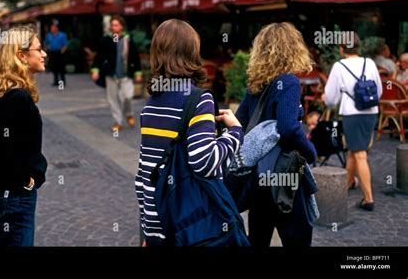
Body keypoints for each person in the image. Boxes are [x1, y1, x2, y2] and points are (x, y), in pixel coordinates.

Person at [135, 19, 244, 246]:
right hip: (190, 224)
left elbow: (144, 171)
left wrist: (147, 230)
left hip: (157, 221)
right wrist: (235, 132)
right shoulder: (199, 99)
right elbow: (204, 161)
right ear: (192, 52)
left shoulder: (152, 102)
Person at [236, 22, 317, 247]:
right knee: (297, 238)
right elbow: (288, 128)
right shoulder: (289, 82)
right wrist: (310, 151)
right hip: (285, 174)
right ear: (292, 48)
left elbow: (241, 124)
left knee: (258, 238)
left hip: (259, 175)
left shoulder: (255, 84)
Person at [0, 26, 48, 246]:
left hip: (6, 194)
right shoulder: (17, 96)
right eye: (38, 49)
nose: (44, 54)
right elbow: (3, 146)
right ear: (21, 55)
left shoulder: (6, 91)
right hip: (14, 195)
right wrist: (26, 181)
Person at [323, 34, 382, 211]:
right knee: (353, 151)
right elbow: (378, 91)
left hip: (352, 114)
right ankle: (346, 184)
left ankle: (368, 199)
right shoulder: (369, 63)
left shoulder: (339, 67)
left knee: (359, 154)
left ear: (342, 48)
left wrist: (325, 98)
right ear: (358, 47)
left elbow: (331, 99)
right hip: (371, 112)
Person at [91, 16, 142, 131]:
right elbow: (99, 57)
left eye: (116, 25)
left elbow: (135, 57)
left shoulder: (128, 40)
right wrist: (96, 70)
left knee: (128, 97)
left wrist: (138, 73)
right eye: (112, 25)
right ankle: (118, 122)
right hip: (111, 75)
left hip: (126, 75)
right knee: (112, 99)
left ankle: (129, 113)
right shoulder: (106, 40)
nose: (113, 27)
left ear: (121, 26)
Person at [44, 21, 68, 87]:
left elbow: (65, 44)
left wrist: (62, 51)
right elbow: (45, 43)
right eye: (51, 28)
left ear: (56, 28)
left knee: (61, 68)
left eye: (53, 28)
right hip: (52, 52)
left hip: (59, 53)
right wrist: (46, 50)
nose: (52, 29)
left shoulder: (62, 35)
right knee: (54, 68)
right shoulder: (49, 36)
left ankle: (62, 82)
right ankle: (56, 81)